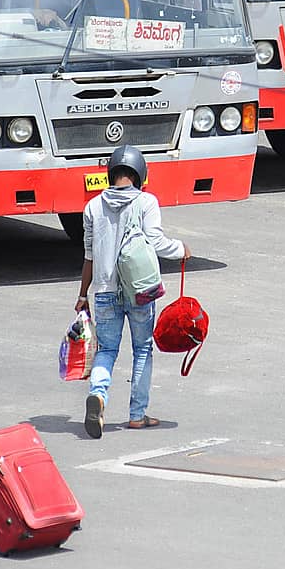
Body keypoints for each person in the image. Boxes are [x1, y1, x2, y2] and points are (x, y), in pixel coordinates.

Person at [75, 145, 190, 438]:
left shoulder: (92, 207)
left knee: (107, 350)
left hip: (103, 291)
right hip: (139, 291)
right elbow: (155, 240)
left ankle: (98, 396)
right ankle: (137, 415)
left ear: (111, 173)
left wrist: (82, 295)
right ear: (139, 174)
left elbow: (89, 255)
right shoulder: (146, 202)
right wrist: (181, 249)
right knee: (142, 349)